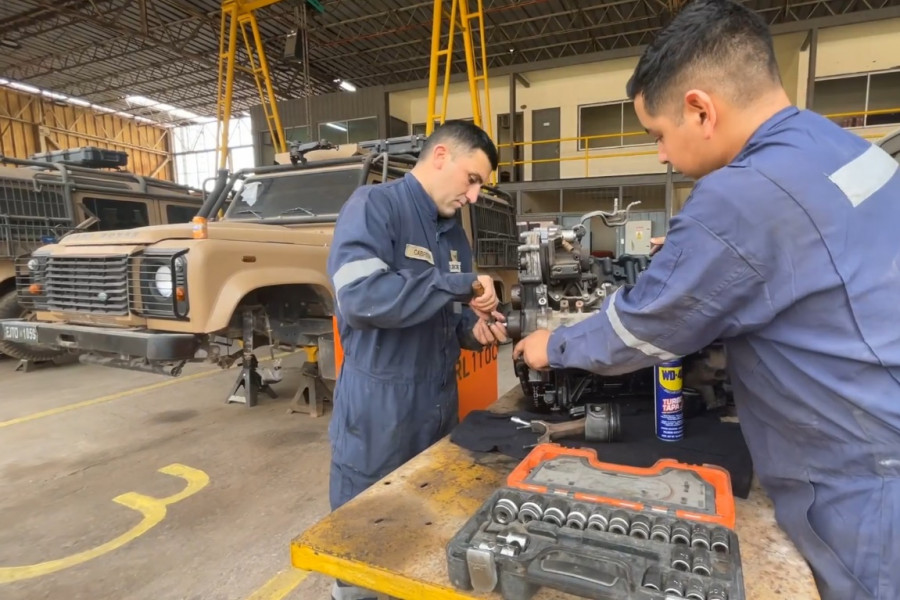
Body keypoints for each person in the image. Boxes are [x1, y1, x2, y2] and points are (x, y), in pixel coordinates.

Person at [512, 1, 900, 599]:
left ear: (700, 109)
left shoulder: (740, 199)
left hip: (863, 485)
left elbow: (643, 330)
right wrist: (712, 252)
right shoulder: (840, 147)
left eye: (659, 135)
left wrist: (553, 344)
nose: (662, 155)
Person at [326, 120, 508, 600]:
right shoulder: (374, 207)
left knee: (423, 553)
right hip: (377, 422)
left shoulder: (453, 235)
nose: (473, 196)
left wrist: (476, 329)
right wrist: (458, 285)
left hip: (435, 421)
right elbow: (361, 299)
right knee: (365, 555)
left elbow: (446, 320)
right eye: (472, 180)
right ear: (442, 155)